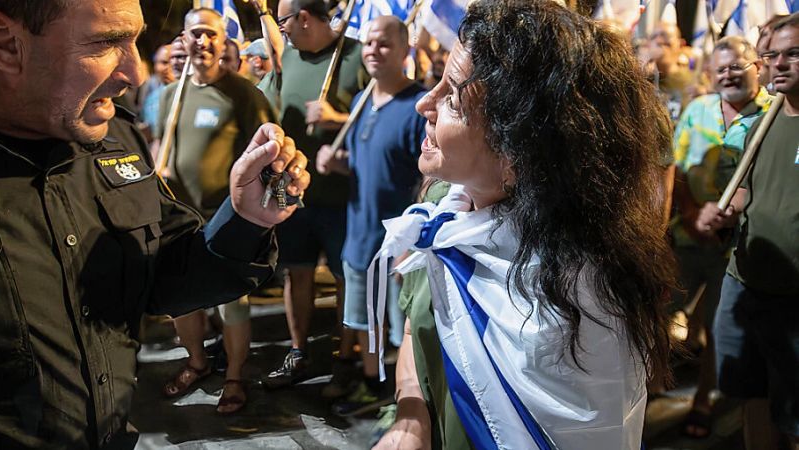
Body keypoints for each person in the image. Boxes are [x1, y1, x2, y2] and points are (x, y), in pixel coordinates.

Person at [0, 1, 309, 448]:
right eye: (106, 42)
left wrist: (245, 217)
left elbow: (163, 276)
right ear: (4, 41)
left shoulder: (110, 131)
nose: (133, 74)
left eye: (134, 39)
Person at [373, 1, 676, 448]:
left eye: (453, 97)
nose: (424, 103)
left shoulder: (582, 289)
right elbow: (417, 328)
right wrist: (411, 414)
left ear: (517, 152)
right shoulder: (441, 207)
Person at [156, 8, 276, 415]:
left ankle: (235, 376)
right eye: (196, 35)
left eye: (211, 34)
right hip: (178, 219)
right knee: (183, 303)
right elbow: (158, 144)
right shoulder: (170, 95)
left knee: (232, 304)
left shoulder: (244, 95)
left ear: (224, 42)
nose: (203, 42)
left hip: (225, 220)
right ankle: (197, 362)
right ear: (185, 40)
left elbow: (268, 153)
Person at [697, 13, 799, 450]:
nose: (779, 64)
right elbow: (748, 192)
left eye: (793, 53)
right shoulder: (765, 121)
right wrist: (722, 212)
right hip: (744, 283)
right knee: (750, 397)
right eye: (772, 55)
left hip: (794, 298)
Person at [315, 15, 425, 414]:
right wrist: (337, 162)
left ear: (404, 50)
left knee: (405, 330)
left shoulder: (418, 107)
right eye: (368, 44)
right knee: (366, 322)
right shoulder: (364, 101)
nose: (373, 51)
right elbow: (367, 165)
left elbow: (428, 183)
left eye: (384, 44)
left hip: (397, 251)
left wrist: (408, 245)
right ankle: (371, 382)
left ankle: (402, 397)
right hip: (359, 240)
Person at [255, 0, 368, 389]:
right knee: (295, 272)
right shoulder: (288, 57)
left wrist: (338, 119)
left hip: (342, 196)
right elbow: (266, 102)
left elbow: (383, 120)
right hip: (290, 191)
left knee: (343, 277)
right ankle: (298, 350)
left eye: (283, 19)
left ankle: (346, 356)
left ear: (304, 17)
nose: (280, 28)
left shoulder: (356, 56)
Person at [669, 35, 771, 439]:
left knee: (717, 326)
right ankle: (644, 395)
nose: (727, 74)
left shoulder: (774, 114)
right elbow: (674, 168)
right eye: (720, 67)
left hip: (737, 249)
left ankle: (701, 402)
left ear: (758, 68)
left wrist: (734, 212)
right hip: (687, 239)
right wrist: (693, 214)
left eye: (737, 66)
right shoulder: (698, 110)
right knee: (659, 313)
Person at [140, 44, 175, 136]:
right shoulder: (150, 90)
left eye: (174, 61)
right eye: (164, 62)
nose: (168, 68)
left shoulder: (186, 92)